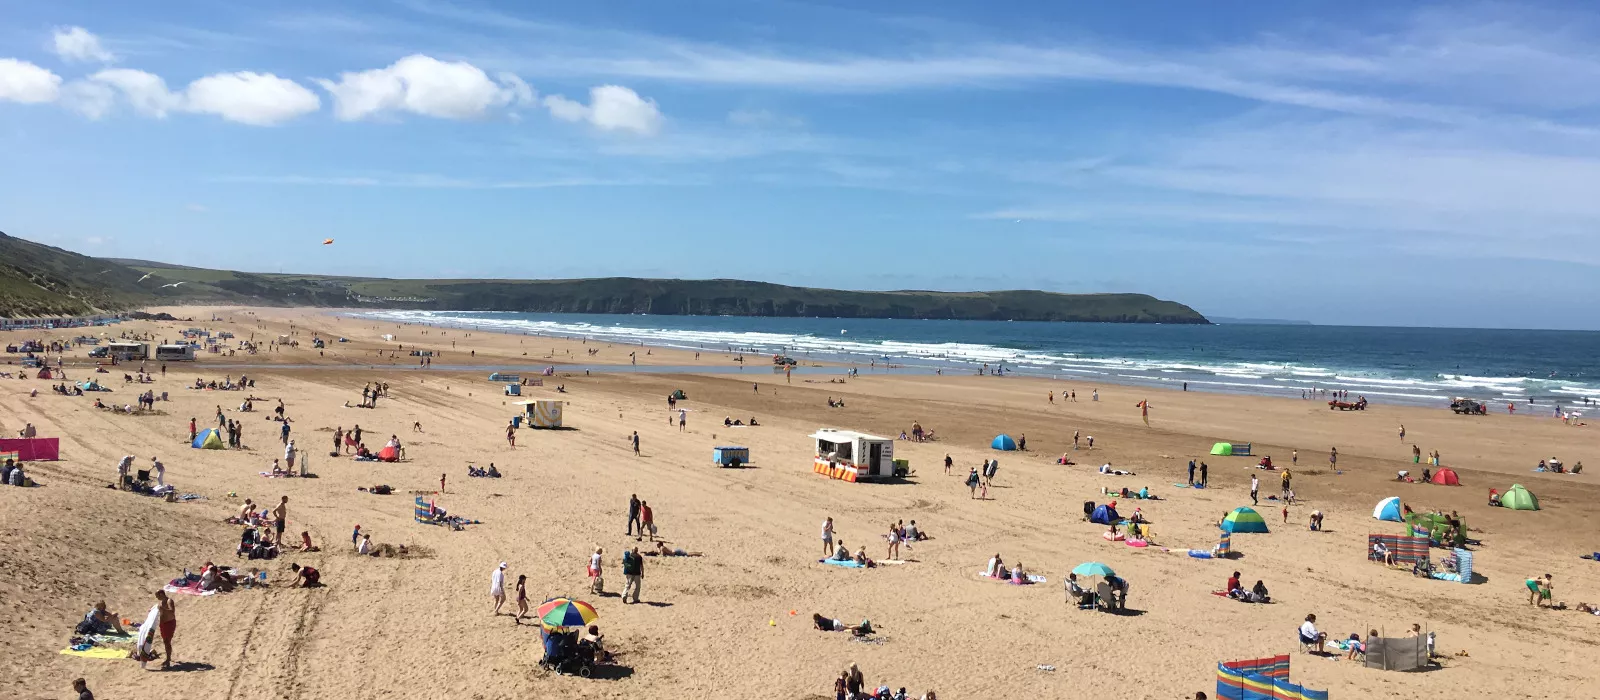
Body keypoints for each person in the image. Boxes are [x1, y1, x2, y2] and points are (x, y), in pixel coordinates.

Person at [154, 589, 176, 669]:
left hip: (169, 623)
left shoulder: (169, 601)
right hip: (163, 624)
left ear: (161, 594)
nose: (157, 598)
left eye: (157, 596)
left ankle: (168, 659)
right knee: (165, 641)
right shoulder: (162, 602)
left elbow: (172, 611)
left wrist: (163, 609)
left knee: (167, 641)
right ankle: (168, 657)